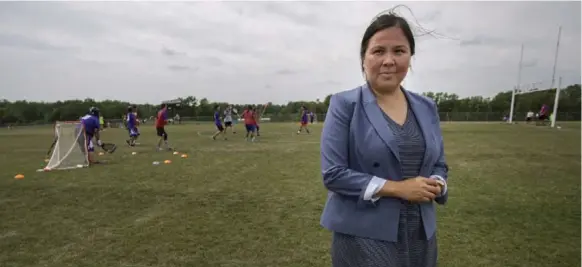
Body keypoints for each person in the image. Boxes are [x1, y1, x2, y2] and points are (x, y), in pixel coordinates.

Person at [319, 11, 449, 267]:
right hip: (364, 237)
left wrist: (437, 183)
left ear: (410, 58)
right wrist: (399, 188)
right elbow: (333, 174)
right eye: (378, 51)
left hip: (420, 234)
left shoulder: (426, 107)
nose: (389, 60)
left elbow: (439, 164)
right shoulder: (344, 104)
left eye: (399, 51)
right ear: (363, 59)